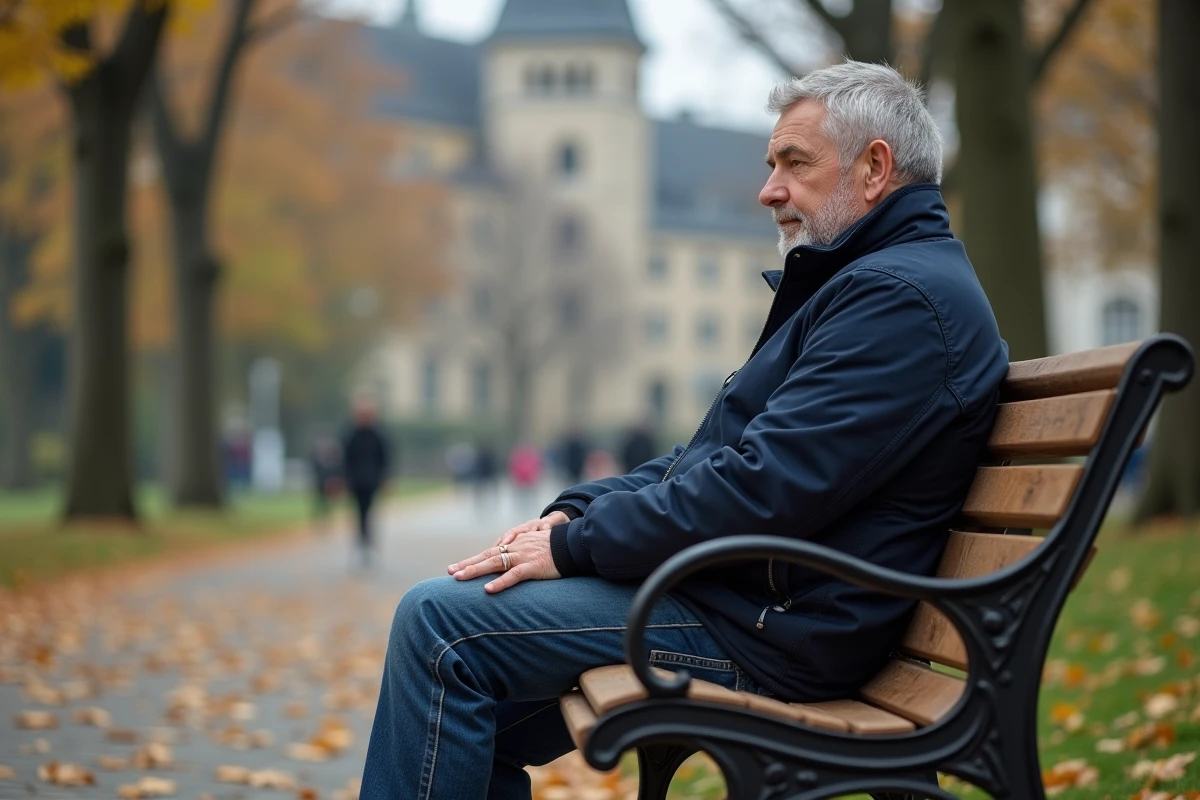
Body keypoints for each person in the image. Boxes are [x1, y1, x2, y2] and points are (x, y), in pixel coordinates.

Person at [361, 62, 1009, 799]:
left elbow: (764, 487)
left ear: (874, 167)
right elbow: (705, 460)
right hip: (747, 604)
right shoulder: (868, 287)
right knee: (459, 705)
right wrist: (576, 508)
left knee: (438, 628)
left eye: (793, 164)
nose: (769, 190)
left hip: (776, 633)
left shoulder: (899, 302)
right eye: (772, 166)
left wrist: (576, 547)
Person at [342, 396, 391, 568]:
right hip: (356, 482)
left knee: (368, 513)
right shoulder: (351, 434)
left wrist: (385, 480)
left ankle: (367, 544)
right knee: (359, 513)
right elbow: (345, 459)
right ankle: (362, 544)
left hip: (372, 482)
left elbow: (385, 459)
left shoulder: (378, 435)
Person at [309, 435, 343, 535]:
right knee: (319, 503)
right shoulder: (317, 460)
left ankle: (327, 520)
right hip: (319, 484)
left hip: (329, 484)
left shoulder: (333, 460)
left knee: (328, 504)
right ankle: (319, 521)